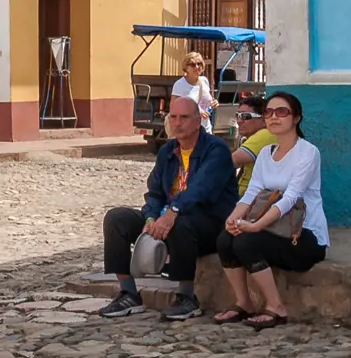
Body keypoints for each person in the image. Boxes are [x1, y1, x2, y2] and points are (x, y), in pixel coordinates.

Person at [96, 95, 238, 321]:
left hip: (209, 224)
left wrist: (173, 212)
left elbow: (201, 190)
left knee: (181, 222)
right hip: (168, 218)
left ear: (198, 120)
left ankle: (186, 297)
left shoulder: (216, 150)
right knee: (117, 218)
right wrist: (151, 218)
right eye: (173, 117)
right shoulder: (168, 151)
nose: (177, 123)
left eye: (184, 117)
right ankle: (128, 293)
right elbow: (155, 192)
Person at [214, 91, 328, 328]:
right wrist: (233, 219)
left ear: (296, 118)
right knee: (226, 239)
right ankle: (243, 302)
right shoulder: (266, 153)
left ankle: (276, 306)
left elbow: (291, 197)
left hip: (303, 236)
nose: (274, 117)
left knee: (246, 241)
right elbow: (252, 192)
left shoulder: (308, 152)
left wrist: (256, 226)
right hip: (274, 229)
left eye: (282, 112)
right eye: (268, 112)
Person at [230, 94, 276, 196]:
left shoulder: (266, 134)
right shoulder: (250, 138)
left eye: (245, 116)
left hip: (252, 201)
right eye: (237, 115)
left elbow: (231, 161)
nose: (239, 121)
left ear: (264, 120)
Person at [172, 53, 217, 132]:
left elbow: (208, 102)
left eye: (199, 64)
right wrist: (195, 111)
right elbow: (173, 109)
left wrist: (214, 103)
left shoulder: (204, 80)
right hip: (189, 131)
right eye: (193, 64)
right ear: (186, 67)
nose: (197, 67)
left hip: (206, 129)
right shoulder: (180, 84)